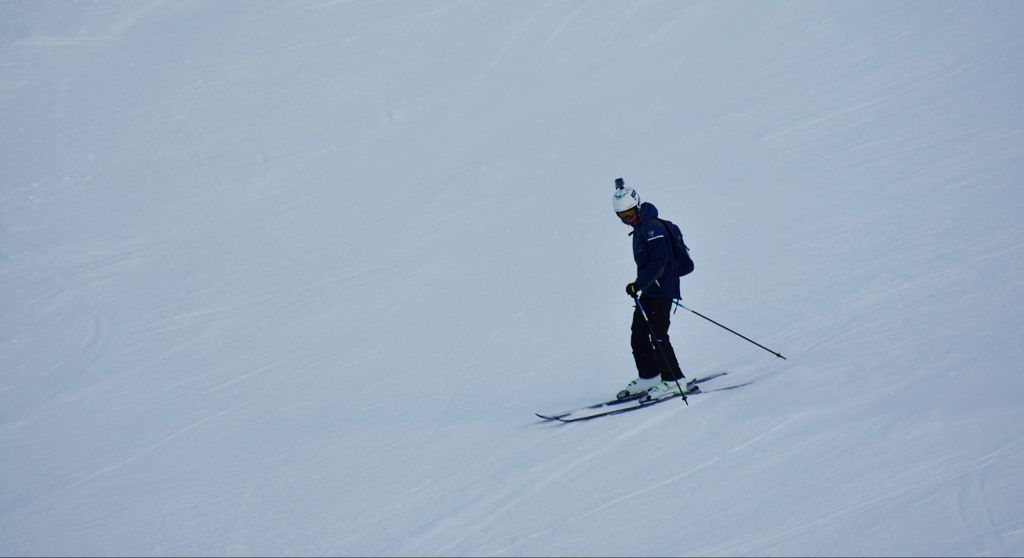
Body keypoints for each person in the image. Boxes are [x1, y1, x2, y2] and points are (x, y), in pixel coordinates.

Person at [612, 178, 687, 400]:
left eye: (630, 214)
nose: (628, 219)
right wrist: (641, 284)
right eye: (622, 217)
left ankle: (674, 380)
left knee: (658, 334)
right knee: (639, 333)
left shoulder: (653, 227)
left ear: (637, 204)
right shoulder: (641, 227)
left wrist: (639, 283)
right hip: (651, 288)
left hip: (663, 287)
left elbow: (660, 261)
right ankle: (650, 376)